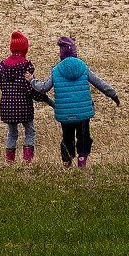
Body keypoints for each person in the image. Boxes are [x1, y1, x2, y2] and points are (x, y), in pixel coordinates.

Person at [48, 35, 120, 169]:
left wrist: (31, 81)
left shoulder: (56, 70)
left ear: (61, 54)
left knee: (67, 137)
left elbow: (44, 88)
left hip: (65, 113)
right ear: (74, 52)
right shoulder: (83, 67)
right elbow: (99, 83)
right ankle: (82, 161)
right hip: (83, 113)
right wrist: (113, 95)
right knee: (83, 137)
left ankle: (67, 162)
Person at [0, 31, 38, 164]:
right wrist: (45, 98)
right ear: (25, 49)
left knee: (12, 134)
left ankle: (9, 161)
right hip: (24, 106)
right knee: (30, 132)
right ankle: (27, 161)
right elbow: (31, 87)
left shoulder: (2, 66)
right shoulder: (27, 65)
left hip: (7, 107)